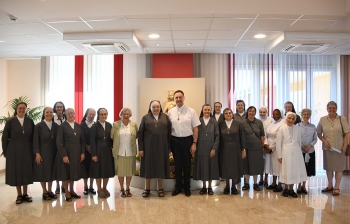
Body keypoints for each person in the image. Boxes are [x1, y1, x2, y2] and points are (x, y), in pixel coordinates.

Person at [168, 90, 201, 197]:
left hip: (187, 140)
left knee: (187, 165)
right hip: (175, 140)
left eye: (180, 97)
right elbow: (168, 130)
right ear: (174, 99)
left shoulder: (191, 111)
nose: (178, 99)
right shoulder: (170, 112)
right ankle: (178, 187)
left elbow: (196, 128)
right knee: (177, 165)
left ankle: (187, 187)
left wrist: (194, 143)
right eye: (176, 97)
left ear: (184, 98)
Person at [1, 102, 35, 204]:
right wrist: (5, 151)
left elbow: (34, 137)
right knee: (17, 171)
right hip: (14, 149)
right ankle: (19, 195)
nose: (21, 110)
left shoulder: (29, 121)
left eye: (24, 108)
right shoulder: (10, 121)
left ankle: (25, 194)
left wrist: (35, 150)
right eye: (20, 108)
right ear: (16, 109)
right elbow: (5, 137)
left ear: (26, 110)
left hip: (27, 149)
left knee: (26, 170)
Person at [138, 100, 172, 198]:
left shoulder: (166, 117)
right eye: (154, 107)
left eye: (157, 106)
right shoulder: (145, 118)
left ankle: (160, 188)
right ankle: (147, 188)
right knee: (148, 166)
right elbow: (140, 134)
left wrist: (169, 147)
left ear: (160, 107)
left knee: (160, 166)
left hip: (162, 146)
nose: (156, 108)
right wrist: (141, 148)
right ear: (150, 108)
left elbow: (169, 133)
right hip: (148, 147)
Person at [317, 101, 349, 196]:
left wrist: (345, 145)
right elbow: (318, 133)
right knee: (329, 168)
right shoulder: (322, 119)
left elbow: (347, 133)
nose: (332, 109)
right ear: (327, 109)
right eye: (330, 108)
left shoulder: (342, 119)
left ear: (336, 109)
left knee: (339, 168)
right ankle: (330, 185)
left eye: (334, 108)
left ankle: (337, 187)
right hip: (328, 148)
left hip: (340, 148)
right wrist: (324, 141)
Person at [54, 108, 85, 202]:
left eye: (72, 113)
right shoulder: (62, 126)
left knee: (73, 172)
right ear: (65, 115)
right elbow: (59, 142)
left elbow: (83, 140)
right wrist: (64, 155)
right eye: (68, 113)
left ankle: (72, 190)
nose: (71, 115)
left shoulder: (78, 126)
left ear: (75, 114)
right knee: (65, 173)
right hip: (66, 152)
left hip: (76, 153)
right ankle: (66, 192)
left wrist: (83, 152)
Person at [277, 112, 307, 198]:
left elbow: (299, 140)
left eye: (293, 119)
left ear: (295, 120)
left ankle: (291, 189)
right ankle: (286, 189)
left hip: (296, 151)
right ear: (286, 118)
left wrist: (299, 153)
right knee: (287, 170)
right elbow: (278, 143)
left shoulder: (297, 128)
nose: (291, 120)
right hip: (286, 151)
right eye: (289, 118)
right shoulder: (282, 128)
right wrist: (279, 155)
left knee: (294, 170)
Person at [111, 107, 138, 198]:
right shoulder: (115, 124)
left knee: (129, 172)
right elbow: (111, 136)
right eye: (124, 114)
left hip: (131, 151)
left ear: (130, 115)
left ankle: (128, 189)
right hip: (120, 152)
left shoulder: (134, 124)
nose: (126, 115)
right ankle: (122, 188)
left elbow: (136, 135)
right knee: (121, 172)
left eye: (127, 114)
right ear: (121, 115)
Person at [193, 104, 220, 195]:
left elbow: (217, 136)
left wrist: (214, 149)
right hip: (201, 148)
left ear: (211, 110)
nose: (207, 111)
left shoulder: (214, 122)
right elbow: (195, 135)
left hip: (211, 148)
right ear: (202, 110)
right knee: (203, 167)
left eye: (208, 110)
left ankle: (210, 187)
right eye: (205, 110)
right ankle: (204, 187)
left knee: (211, 167)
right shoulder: (198, 121)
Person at [33, 107, 58, 200]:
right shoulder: (38, 126)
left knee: (51, 171)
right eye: (47, 112)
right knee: (43, 171)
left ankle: (50, 190)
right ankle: (44, 191)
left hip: (54, 152)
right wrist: (37, 153)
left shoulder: (56, 126)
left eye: (51, 112)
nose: (49, 114)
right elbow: (35, 141)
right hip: (43, 151)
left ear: (53, 114)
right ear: (44, 114)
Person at [219, 108, 246, 195]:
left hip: (236, 149)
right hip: (224, 149)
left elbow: (242, 137)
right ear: (224, 115)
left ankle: (234, 186)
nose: (228, 114)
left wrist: (243, 150)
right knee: (226, 167)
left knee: (234, 167)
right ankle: (227, 186)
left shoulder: (238, 124)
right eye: (226, 113)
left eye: (230, 113)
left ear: (232, 114)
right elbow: (218, 138)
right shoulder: (220, 124)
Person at [90, 108, 114, 198]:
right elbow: (92, 141)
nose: (103, 116)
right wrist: (94, 154)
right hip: (98, 150)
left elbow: (111, 139)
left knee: (106, 170)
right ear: (98, 115)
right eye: (101, 114)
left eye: (105, 114)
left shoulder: (109, 125)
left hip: (107, 150)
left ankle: (105, 188)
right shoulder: (94, 126)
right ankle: (99, 189)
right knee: (98, 170)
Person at [242, 106, 265, 191]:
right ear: (247, 112)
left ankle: (255, 184)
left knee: (256, 166)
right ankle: (246, 183)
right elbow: (241, 136)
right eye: (250, 111)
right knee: (246, 166)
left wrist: (262, 146)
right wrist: (242, 149)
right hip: (247, 147)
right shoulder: (243, 123)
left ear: (255, 113)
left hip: (257, 148)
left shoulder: (259, 122)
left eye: (253, 111)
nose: (251, 112)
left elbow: (262, 135)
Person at [297, 108, 317, 194]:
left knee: (307, 169)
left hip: (310, 151)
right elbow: (296, 138)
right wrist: (302, 146)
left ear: (310, 116)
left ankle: (304, 186)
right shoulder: (297, 126)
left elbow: (315, 139)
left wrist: (309, 146)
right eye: (304, 114)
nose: (306, 116)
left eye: (308, 114)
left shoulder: (313, 127)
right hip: (300, 150)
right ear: (301, 115)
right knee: (299, 168)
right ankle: (298, 185)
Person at [264, 109, 285, 192]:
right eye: (274, 114)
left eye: (277, 114)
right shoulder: (272, 123)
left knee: (278, 166)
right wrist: (265, 144)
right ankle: (273, 183)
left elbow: (279, 138)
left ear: (281, 114)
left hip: (277, 147)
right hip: (268, 146)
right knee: (272, 166)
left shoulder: (283, 124)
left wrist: (271, 147)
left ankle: (279, 184)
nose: (275, 116)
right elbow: (266, 134)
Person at [80, 108, 97, 195]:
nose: (91, 116)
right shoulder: (81, 125)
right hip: (84, 151)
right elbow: (80, 138)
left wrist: (93, 148)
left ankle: (91, 186)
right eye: (90, 114)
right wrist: (87, 147)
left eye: (93, 114)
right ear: (86, 114)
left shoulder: (96, 125)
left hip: (94, 151)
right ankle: (85, 186)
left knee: (93, 168)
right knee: (85, 168)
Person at [53, 101, 66, 194]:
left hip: (65, 144)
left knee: (64, 166)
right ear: (55, 108)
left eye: (61, 107)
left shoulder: (66, 117)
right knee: (57, 165)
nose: (59, 108)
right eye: (57, 107)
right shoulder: (52, 117)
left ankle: (64, 185)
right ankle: (57, 186)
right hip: (54, 144)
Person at [258, 106, 273, 186]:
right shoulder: (257, 120)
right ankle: (260, 178)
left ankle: (266, 179)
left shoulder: (271, 120)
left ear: (266, 112)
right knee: (260, 162)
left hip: (268, 143)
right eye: (261, 112)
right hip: (259, 143)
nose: (262, 114)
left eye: (264, 112)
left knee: (267, 161)